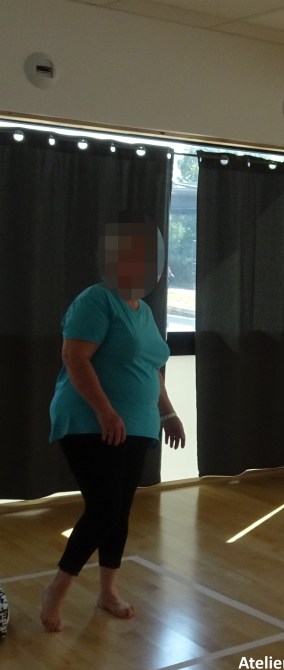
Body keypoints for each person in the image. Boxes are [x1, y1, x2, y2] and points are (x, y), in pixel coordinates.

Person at [40, 215, 185, 632]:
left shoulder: (143, 312)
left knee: (119, 510)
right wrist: (105, 410)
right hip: (90, 421)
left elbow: (152, 368)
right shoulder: (96, 300)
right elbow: (74, 357)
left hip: (137, 424)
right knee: (104, 508)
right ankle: (57, 590)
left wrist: (168, 413)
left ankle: (107, 591)